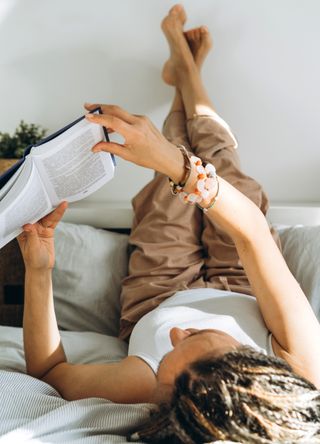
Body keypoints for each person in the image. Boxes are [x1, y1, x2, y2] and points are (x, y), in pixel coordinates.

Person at [18, 5, 320, 444]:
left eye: (170, 354)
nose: (177, 332)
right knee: (219, 162)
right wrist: (172, 162)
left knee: (170, 173)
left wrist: (39, 271)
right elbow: (251, 231)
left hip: (159, 288)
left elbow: (50, 371)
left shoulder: (150, 385)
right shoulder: (302, 362)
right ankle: (186, 72)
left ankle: (184, 71)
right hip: (242, 282)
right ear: (252, 364)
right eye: (194, 338)